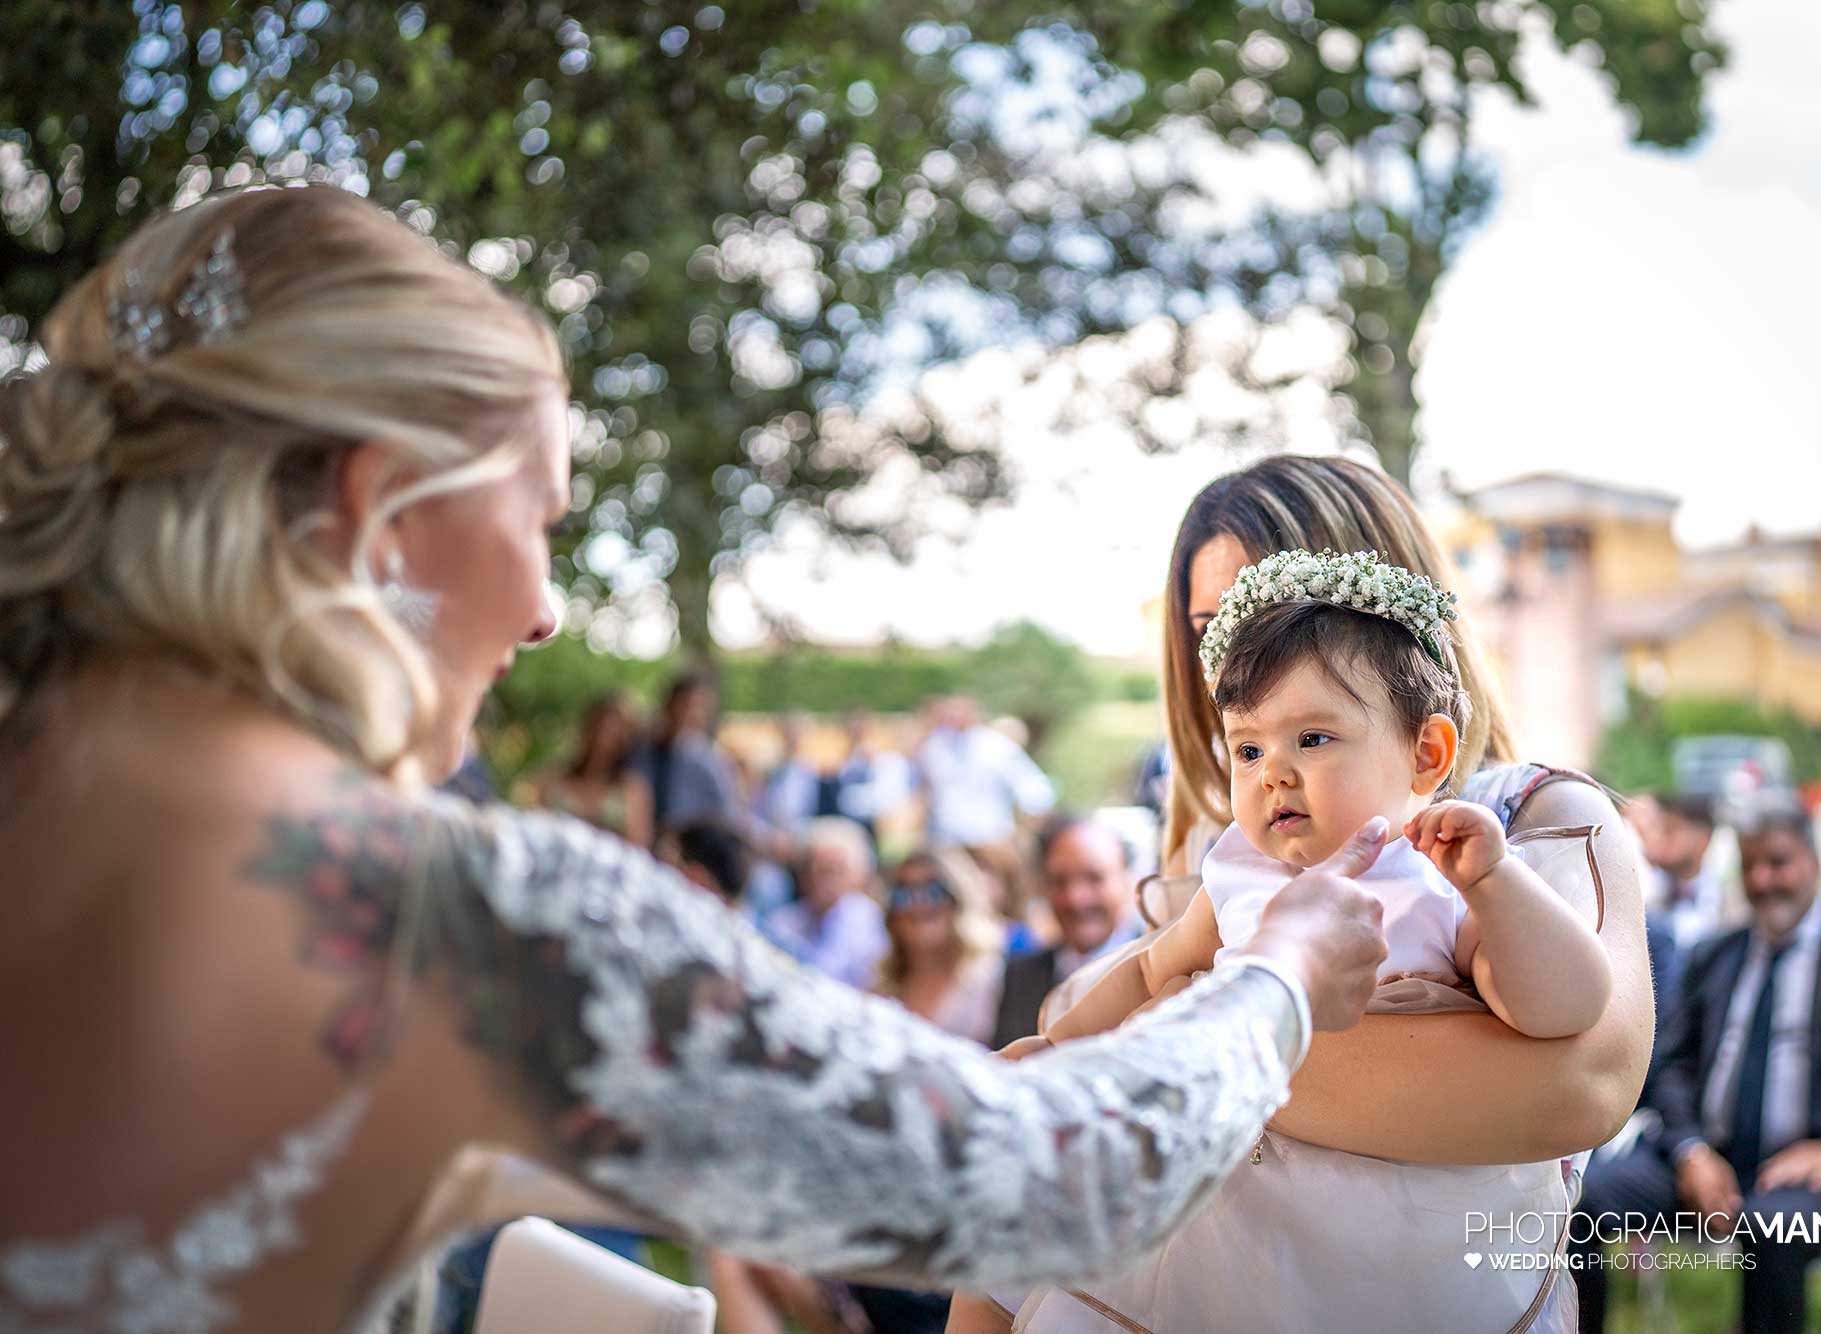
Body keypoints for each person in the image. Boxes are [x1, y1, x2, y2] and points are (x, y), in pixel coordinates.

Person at [0, 186, 1395, 1332]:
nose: (548, 609)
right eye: (542, 519)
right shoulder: (454, 918)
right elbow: (1046, 1179)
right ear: (385, 511)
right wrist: (1278, 979)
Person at [951, 454, 1657, 1334]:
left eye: (1274, 602)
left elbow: (1576, 1075)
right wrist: (1063, 1054)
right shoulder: (1237, 853)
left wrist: (1183, 1043)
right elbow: (1130, 989)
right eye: (1212, 626)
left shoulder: (1505, 830)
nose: (1245, 650)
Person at [1574, 802, 1821, 1334]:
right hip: (1711, 1161)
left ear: (1815, 863)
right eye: (1751, 866)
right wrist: (1691, 1151)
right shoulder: (1715, 955)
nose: (1763, 880)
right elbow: (1669, 1068)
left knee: (1774, 1224)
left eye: (1779, 863)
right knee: (1585, 1202)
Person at [990, 814, 1144, 1050]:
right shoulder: (1019, 976)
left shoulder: (1161, 968)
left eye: (1094, 878)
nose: (1075, 899)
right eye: (1059, 881)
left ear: (1127, 880)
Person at [916, 694, 1056, 928]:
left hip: (990, 844)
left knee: (1002, 913)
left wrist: (1024, 832)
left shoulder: (995, 746)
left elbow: (1035, 790)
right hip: (946, 847)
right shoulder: (933, 748)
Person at [876, 848, 1006, 1046]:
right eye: (903, 893)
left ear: (960, 897)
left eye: (933, 890)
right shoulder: (883, 986)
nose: (918, 904)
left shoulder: (992, 976)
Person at [759, 815, 891, 989]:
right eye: (818, 869)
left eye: (837, 870)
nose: (825, 880)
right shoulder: (785, 920)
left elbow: (829, 976)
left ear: (860, 876)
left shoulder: (863, 917)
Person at [525, 691, 653, 846]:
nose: (607, 733)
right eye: (602, 724)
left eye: (617, 728)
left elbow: (638, 850)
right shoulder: (551, 779)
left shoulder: (633, 790)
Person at [629, 669, 741, 834]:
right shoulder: (643, 751)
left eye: (700, 707)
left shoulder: (710, 761)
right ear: (670, 703)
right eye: (687, 704)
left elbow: (727, 813)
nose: (692, 713)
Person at [1638, 791, 1723, 951]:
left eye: (1670, 831)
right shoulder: (1645, 890)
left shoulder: (1729, 905)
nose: (1659, 839)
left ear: (1703, 840)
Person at [753, 712, 822, 850]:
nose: (793, 738)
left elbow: (810, 811)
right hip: (769, 837)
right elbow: (758, 808)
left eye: (797, 733)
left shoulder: (810, 770)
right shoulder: (767, 769)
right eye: (789, 733)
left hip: (799, 837)